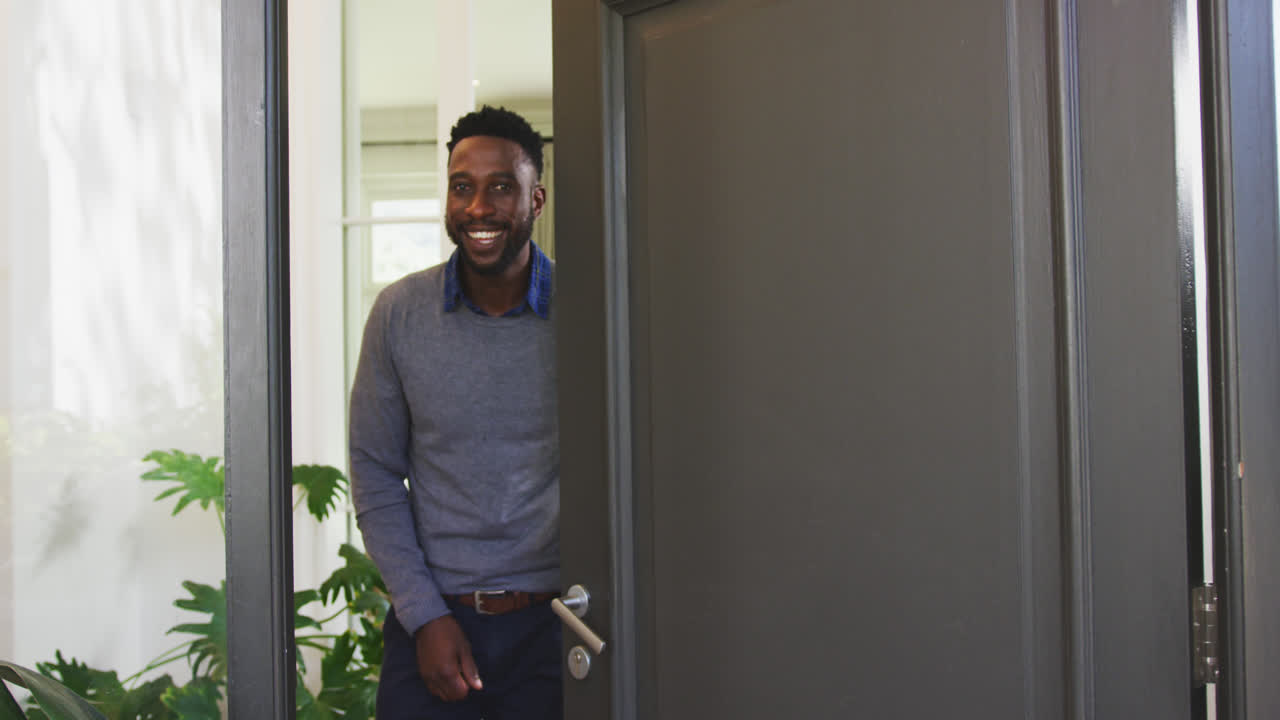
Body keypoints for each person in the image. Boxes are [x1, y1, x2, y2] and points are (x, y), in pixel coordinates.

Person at [349, 105, 561, 720]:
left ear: (536, 200)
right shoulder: (399, 314)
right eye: (461, 187)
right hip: (433, 628)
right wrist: (425, 616)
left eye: (501, 187)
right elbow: (375, 472)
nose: (477, 208)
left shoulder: (588, 314)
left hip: (555, 631)